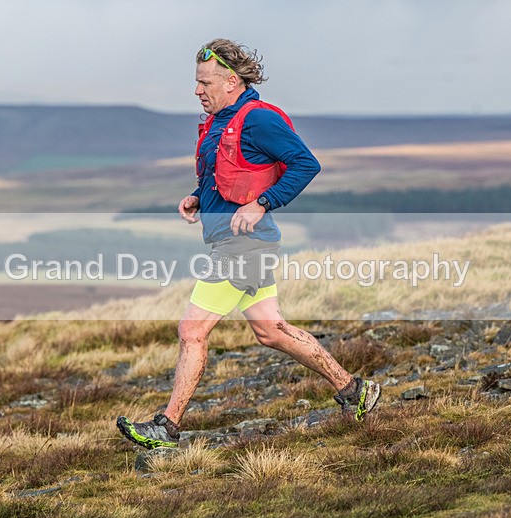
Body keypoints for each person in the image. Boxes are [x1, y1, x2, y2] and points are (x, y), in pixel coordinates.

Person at [117, 38, 380, 449]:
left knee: (191, 330)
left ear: (232, 81)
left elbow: (306, 164)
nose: (197, 91)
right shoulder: (219, 121)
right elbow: (230, 173)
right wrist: (198, 197)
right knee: (270, 332)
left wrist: (263, 203)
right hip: (237, 242)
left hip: (245, 246)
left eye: (205, 82)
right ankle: (353, 390)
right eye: (197, 82)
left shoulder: (257, 119)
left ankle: (166, 428)